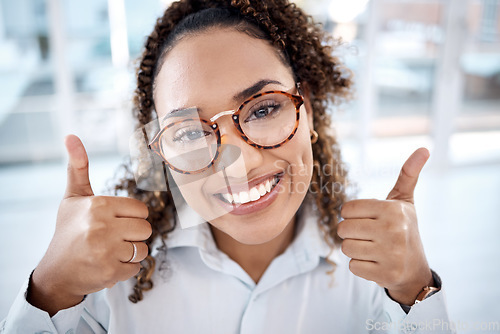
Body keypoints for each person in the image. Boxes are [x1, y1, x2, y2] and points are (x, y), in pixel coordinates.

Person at [1, 0, 454, 333]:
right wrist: (50, 290)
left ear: (308, 110)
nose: (239, 165)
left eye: (262, 109)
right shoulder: (103, 280)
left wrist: (416, 289)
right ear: (162, 154)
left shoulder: (382, 272)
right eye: (189, 132)